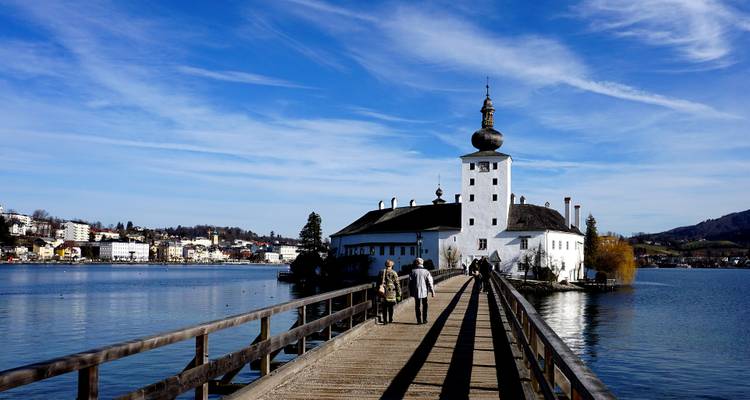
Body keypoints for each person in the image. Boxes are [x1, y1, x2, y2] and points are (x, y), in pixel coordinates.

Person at [409, 258, 435, 324]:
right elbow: (430, 282)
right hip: (424, 291)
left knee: (417, 306)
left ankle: (419, 320)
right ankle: (424, 319)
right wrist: (432, 291)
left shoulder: (413, 271)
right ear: (422, 263)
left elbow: (410, 282)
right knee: (425, 305)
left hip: (416, 290)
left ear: (417, 263)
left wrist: (410, 291)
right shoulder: (426, 271)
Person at [379, 259, 401, 324]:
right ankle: (390, 319)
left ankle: (385, 320)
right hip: (391, 292)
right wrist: (399, 293)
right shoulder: (394, 272)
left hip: (383, 291)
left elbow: (378, 282)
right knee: (391, 307)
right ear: (392, 265)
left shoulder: (381, 272)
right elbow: (397, 283)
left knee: (384, 307)